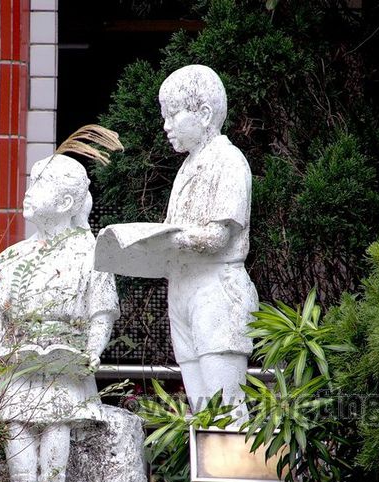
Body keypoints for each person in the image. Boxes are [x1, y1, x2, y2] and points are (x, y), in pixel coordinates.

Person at [97, 64, 258, 418]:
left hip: (216, 288)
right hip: (183, 286)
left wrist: (166, 240)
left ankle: (233, 471)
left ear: (203, 114)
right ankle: (210, 469)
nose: (166, 125)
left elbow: (217, 236)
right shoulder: (187, 168)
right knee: (200, 409)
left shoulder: (228, 161)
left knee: (225, 406)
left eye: (173, 114)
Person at [0, 154, 119, 482]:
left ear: (64, 203)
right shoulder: (13, 257)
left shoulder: (91, 255)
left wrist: (92, 352)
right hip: (20, 360)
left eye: (37, 184)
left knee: (57, 424)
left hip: (66, 359)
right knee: (17, 424)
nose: (26, 192)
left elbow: (101, 312)